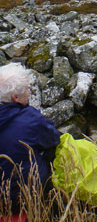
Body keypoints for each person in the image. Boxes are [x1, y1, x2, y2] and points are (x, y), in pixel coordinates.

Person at [0, 63, 60, 213]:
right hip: (23, 196)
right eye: (27, 89)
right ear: (16, 98)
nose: (29, 92)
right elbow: (54, 139)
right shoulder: (31, 119)